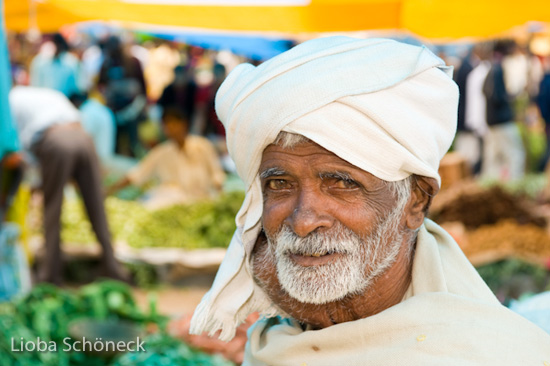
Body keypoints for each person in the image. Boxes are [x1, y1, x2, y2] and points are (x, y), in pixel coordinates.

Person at [189, 37, 550, 364]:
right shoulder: (270, 343)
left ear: (416, 203)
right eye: (280, 184)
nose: (303, 220)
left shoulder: (494, 355)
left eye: (341, 184)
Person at [8, 86, 128, 285]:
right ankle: (113, 268)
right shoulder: (39, 93)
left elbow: (17, 151)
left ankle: (51, 276)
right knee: (96, 204)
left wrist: (34, 181)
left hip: (56, 142)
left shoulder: (10, 102)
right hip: (82, 137)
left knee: (52, 209)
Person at [107, 107, 225, 210]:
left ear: (184, 124)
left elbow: (217, 176)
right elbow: (136, 175)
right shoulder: (161, 152)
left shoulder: (202, 146)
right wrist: (109, 191)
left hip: (201, 202)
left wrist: (219, 200)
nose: (171, 129)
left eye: (174, 124)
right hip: (173, 203)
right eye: (167, 125)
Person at [29, 33, 81, 97]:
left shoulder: (71, 62)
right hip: (45, 101)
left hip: (66, 101)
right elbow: (35, 86)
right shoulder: (39, 61)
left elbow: (77, 88)